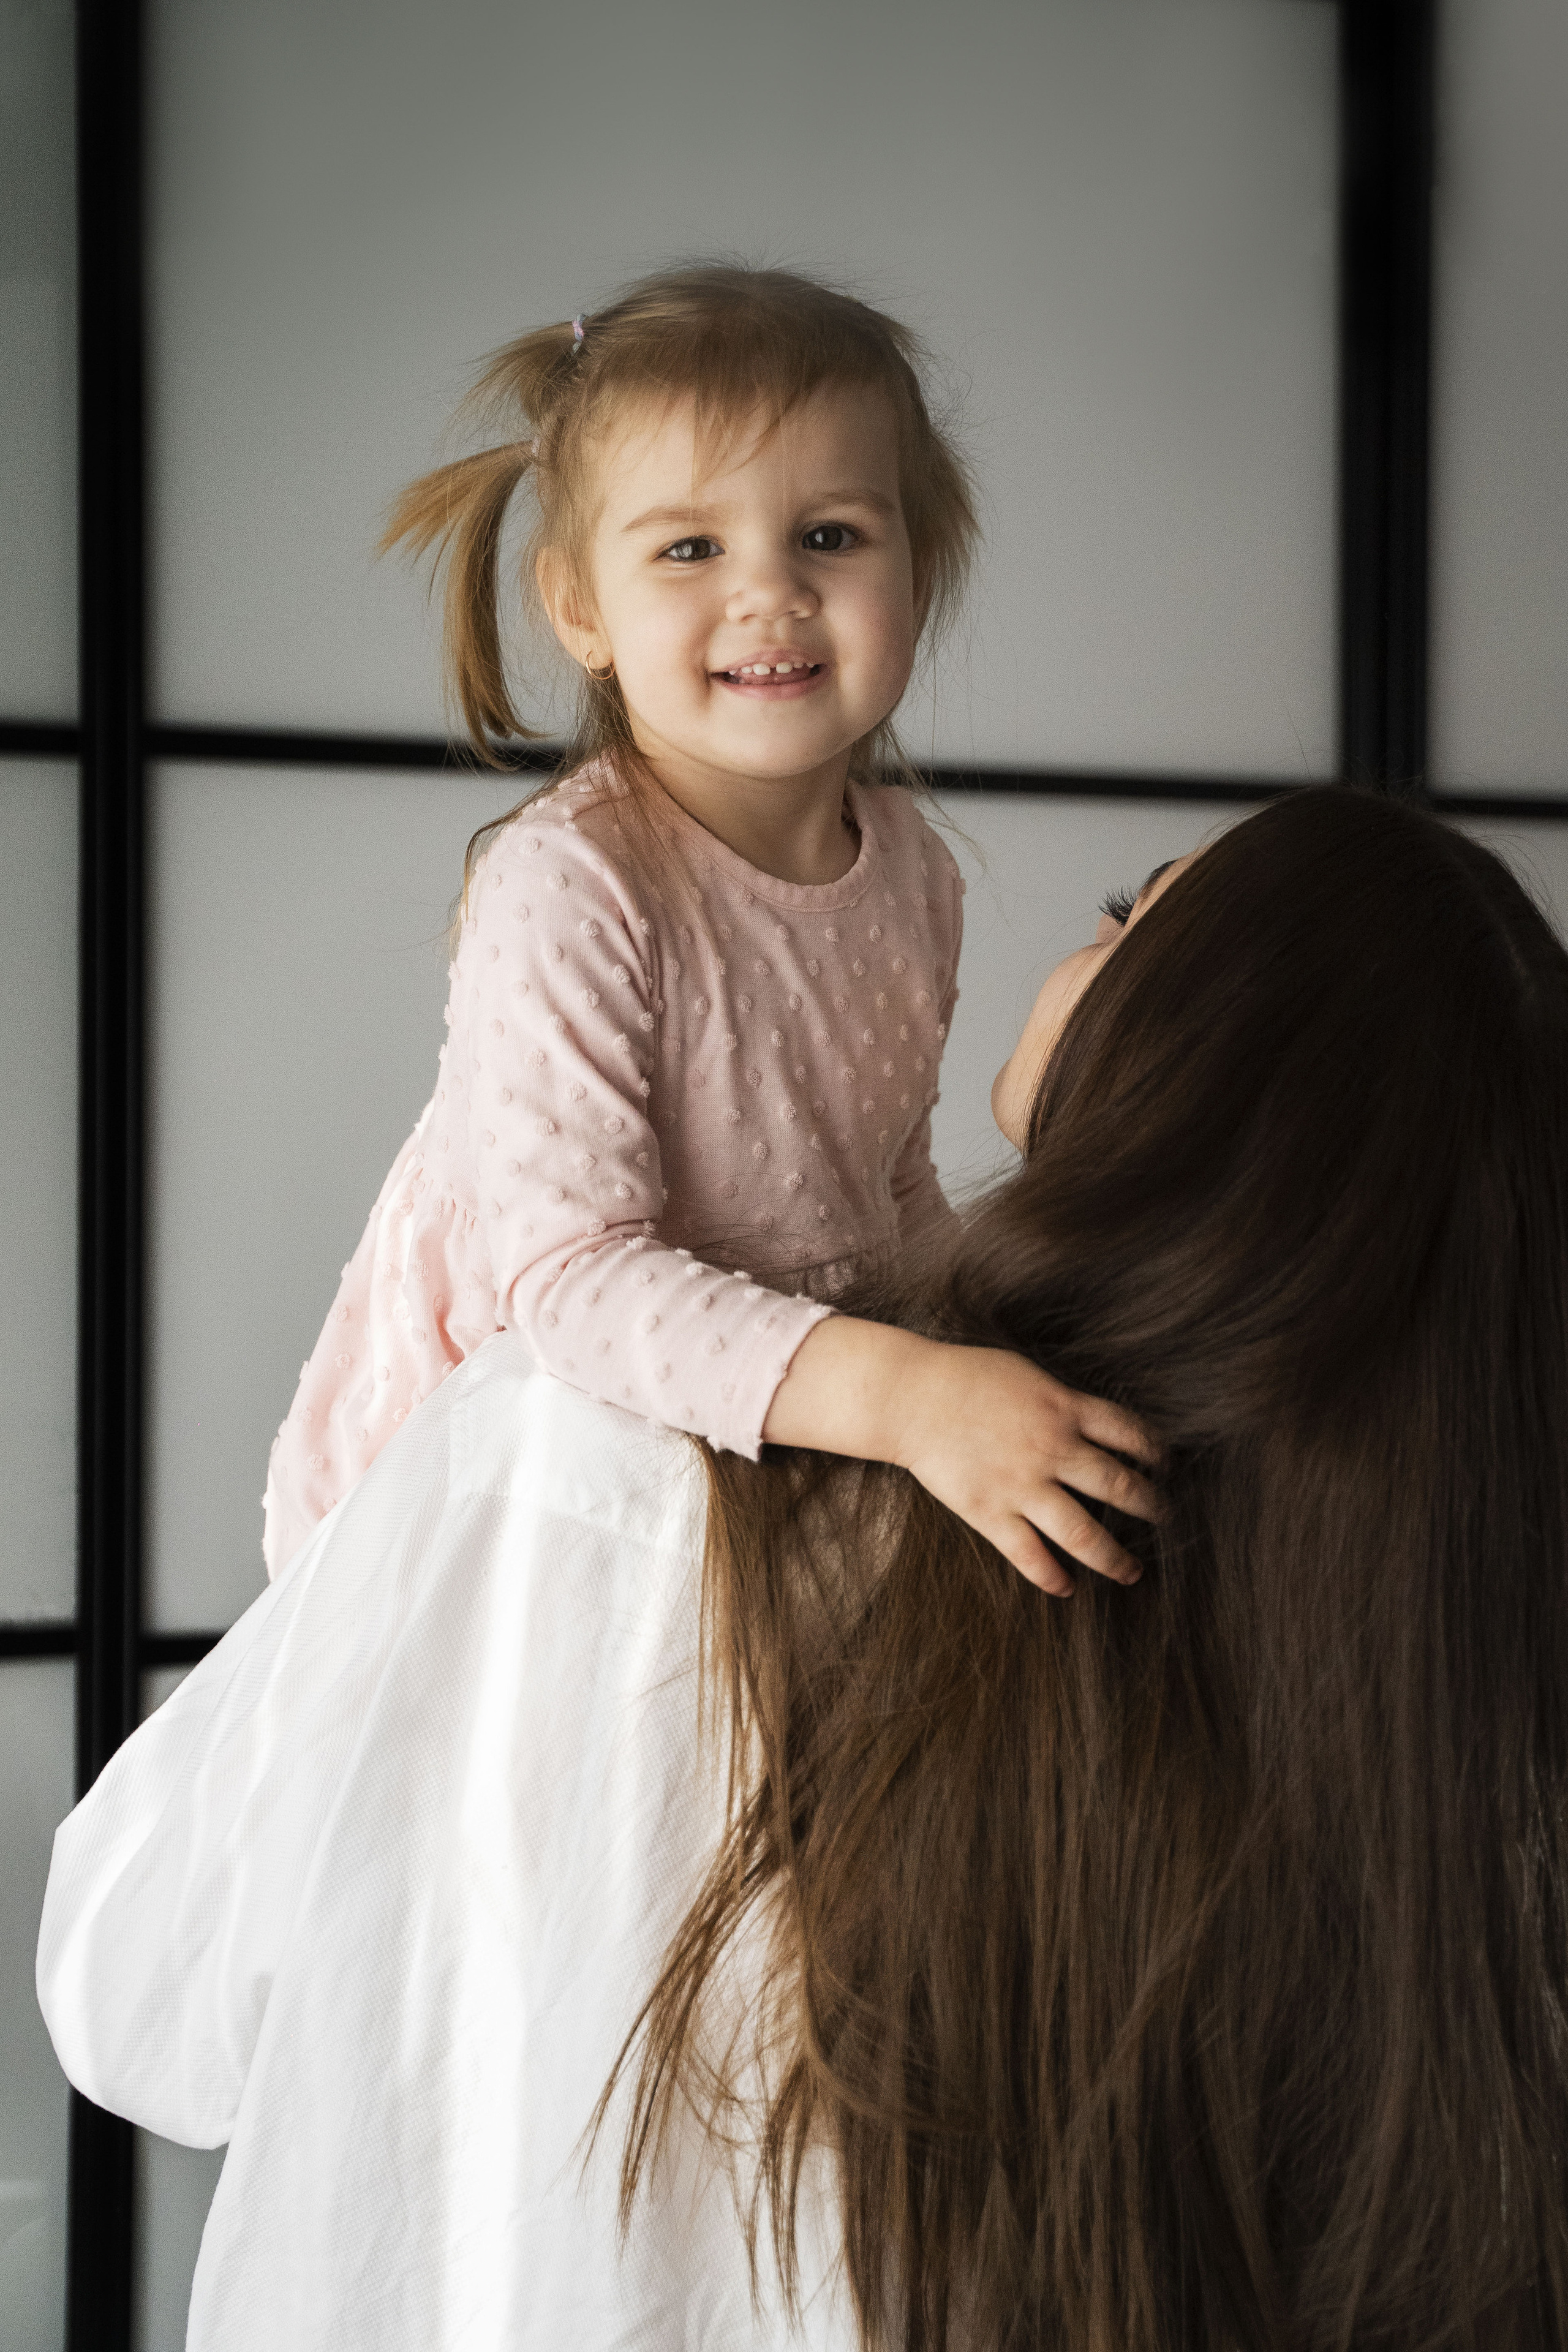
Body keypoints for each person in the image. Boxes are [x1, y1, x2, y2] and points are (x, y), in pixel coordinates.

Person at [623, 785, 1568, 2352]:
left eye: (1134, 920)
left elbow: (136, 2001)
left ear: (1209, 1082)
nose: (1079, 939)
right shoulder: (1464, 1663)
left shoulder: (673, 1501)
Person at [262, 262, 1156, 1597]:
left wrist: (986, 1346)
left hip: (784, 1413)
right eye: (691, 548)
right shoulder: (574, 880)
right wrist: (912, 1398)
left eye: (832, 536)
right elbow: (571, 1282)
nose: (770, 595)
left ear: (921, 563)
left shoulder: (912, 872)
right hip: (550, 1473)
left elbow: (886, 1184)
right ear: (580, 610)